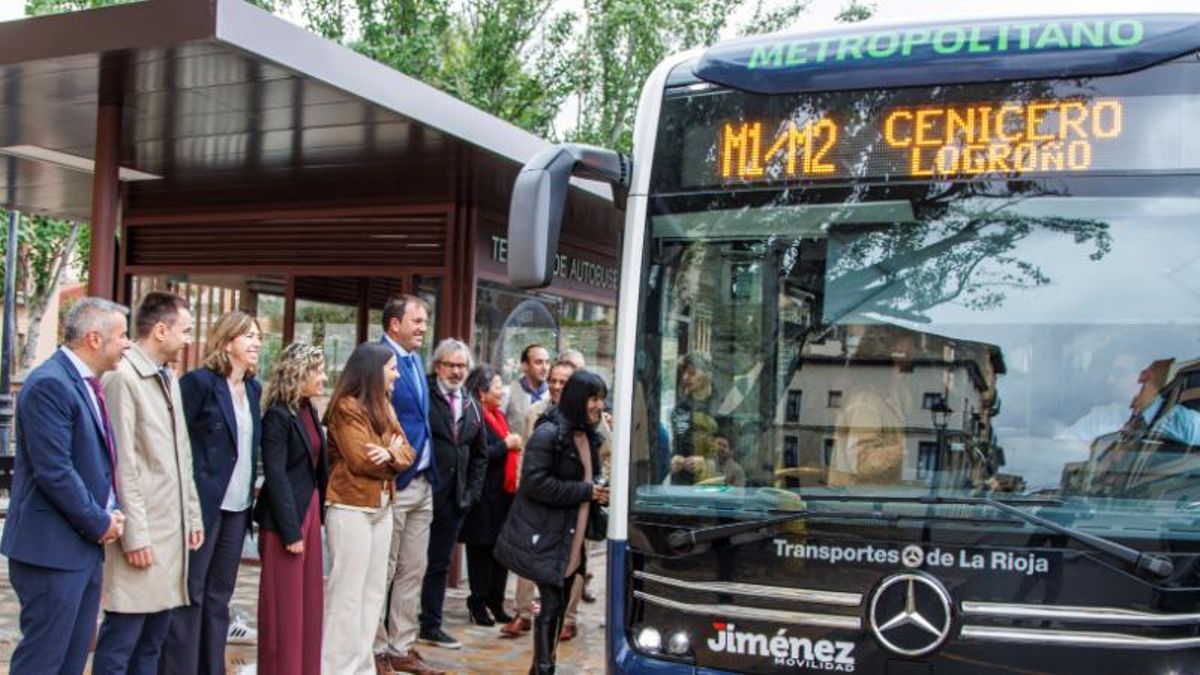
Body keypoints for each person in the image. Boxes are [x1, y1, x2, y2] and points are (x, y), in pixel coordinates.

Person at [0, 297, 130, 674]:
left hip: (81, 549)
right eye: (121, 336)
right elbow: (54, 470)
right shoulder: (49, 384)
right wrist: (98, 520)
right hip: (50, 551)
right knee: (44, 660)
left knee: (72, 659)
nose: (126, 344)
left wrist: (110, 513)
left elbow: (96, 463)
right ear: (94, 338)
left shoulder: (88, 383)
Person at [94, 292, 204, 675]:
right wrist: (135, 536)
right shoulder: (122, 379)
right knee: (122, 639)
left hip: (171, 533)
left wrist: (192, 515)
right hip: (144, 534)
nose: (189, 338)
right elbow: (122, 462)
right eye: (185, 330)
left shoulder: (168, 377)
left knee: (154, 642)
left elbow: (181, 455)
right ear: (161, 330)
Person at [161, 310, 263, 675]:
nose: (256, 343)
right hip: (202, 508)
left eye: (258, 337)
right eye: (249, 336)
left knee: (220, 596)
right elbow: (178, 446)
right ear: (227, 341)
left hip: (237, 509)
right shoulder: (199, 384)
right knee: (192, 593)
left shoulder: (253, 388)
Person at [494, 371, 611, 675]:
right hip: (548, 534)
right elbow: (534, 482)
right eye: (594, 399)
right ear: (578, 400)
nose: (599, 405)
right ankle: (544, 668)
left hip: (573, 533)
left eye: (601, 399)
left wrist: (599, 492)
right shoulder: (549, 433)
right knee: (549, 603)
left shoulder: (590, 434)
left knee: (557, 605)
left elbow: (588, 478)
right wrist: (586, 491)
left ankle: (542, 667)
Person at [323, 342, 415, 675]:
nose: (396, 374)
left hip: (382, 506)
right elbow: (361, 459)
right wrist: (387, 451)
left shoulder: (385, 407)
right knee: (347, 595)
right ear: (373, 371)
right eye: (392, 367)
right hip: (351, 508)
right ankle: (336, 669)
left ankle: (361, 668)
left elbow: (409, 453)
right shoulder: (346, 408)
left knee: (373, 595)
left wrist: (390, 454)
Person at [376, 295, 444, 675]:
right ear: (394, 325)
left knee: (412, 569)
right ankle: (376, 649)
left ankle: (402, 647)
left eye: (424, 321)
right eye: (416, 321)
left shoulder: (416, 360)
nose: (422, 327)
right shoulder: (376, 360)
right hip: (395, 483)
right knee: (383, 571)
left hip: (423, 484)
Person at [255, 343, 329, 675]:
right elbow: (276, 475)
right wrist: (290, 530)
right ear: (299, 372)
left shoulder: (307, 409)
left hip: (309, 512)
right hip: (288, 520)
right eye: (318, 370)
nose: (324, 377)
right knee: (284, 607)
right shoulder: (277, 415)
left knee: (308, 602)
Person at [417, 339, 487, 650]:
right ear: (437, 366)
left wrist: (471, 493)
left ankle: (431, 624)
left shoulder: (472, 403)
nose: (457, 371)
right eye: (451, 365)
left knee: (439, 564)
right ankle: (394, 622)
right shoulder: (423, 393)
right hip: (422, 491)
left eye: (462, 366)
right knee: (408, 563)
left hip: (455, 500)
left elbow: (479, 454)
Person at [503, 359, 577, 639]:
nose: (556, 386)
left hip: (570, 498)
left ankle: (568, 618)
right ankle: (522, 613)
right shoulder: (536, 411)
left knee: (570, 560)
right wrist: (524, 489)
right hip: (537, 495)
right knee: (527, 552)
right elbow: (525, 450)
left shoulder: (586, 415)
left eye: (563, 382)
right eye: (553, 381)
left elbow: (604, 451)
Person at [459, 365, 521, 628]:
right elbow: (478, 454)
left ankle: (496, 601)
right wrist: (505, 446)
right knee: (480, 552)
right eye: (497, 386)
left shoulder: (499, 415)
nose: (502, 391)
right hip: (483, 497)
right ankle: (478, 601)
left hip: (503, 496)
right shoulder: (474, 417)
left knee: (500, 553)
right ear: (482, 393)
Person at [506, 344, 551, 446]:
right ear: (525, 366)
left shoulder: (553, 394)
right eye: (539, 362)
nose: (545, 368)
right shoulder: (509, 392)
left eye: (547, 362)